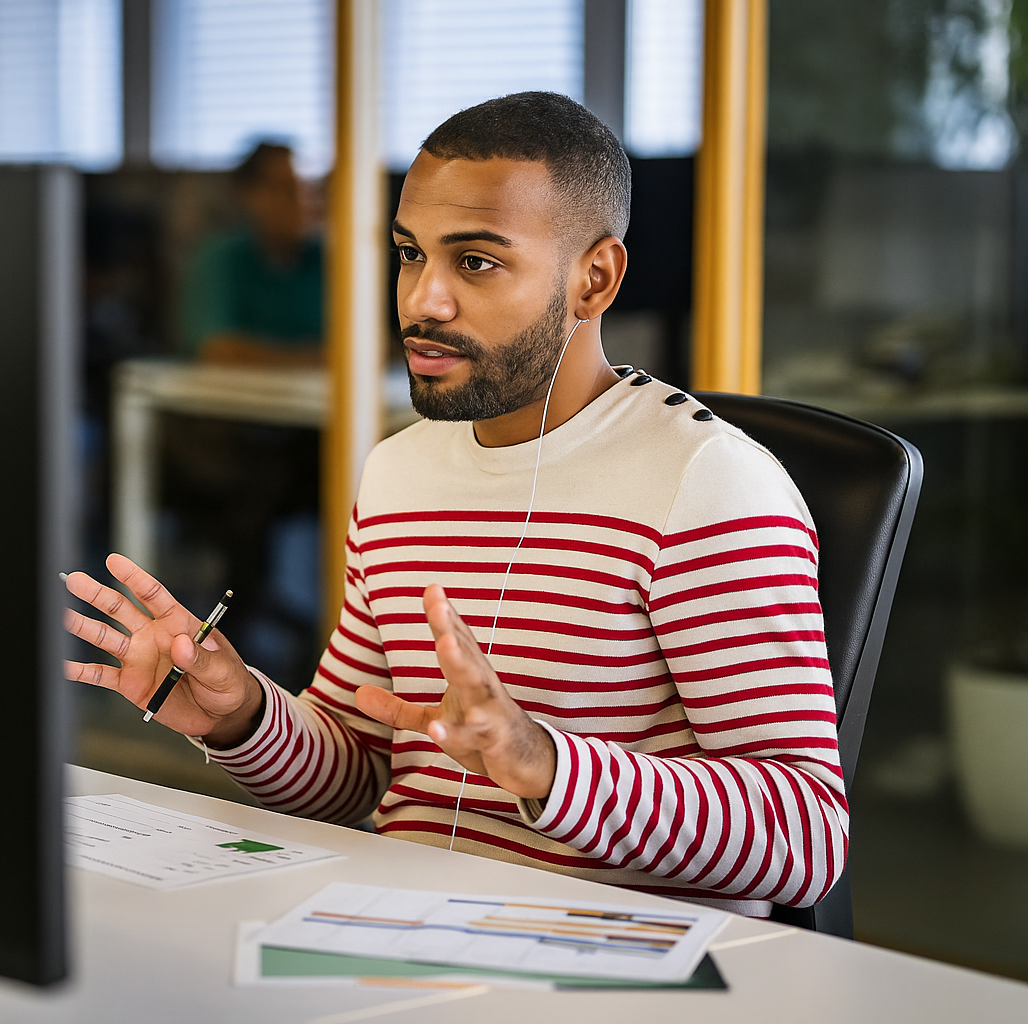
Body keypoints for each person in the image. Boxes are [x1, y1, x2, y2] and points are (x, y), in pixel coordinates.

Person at [65, 92, 846, 917]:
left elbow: (806, 839)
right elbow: (356, 772)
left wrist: (543, 764)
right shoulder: (399, 471)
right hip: (404, 942)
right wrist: (240, 715)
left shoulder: (707, 482)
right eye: (409, 254)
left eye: (475, 261)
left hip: (609, 966)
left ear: (596, 277)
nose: (422, 301)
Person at [179, 141, 324, 366]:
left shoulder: (330, 261)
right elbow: (218, 349)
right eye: (286, 189)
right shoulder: (220, 260)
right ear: (249, 195)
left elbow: (376, 345)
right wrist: (324, 357)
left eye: (309, 189)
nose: (302, 201)